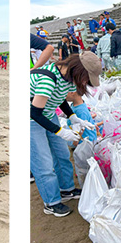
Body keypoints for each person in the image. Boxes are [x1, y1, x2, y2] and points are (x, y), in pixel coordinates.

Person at [30, 51, 101, 217]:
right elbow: (35, 113)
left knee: (62, 154)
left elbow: (59, 97)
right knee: (43, 163)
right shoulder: (47, 80)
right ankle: (51, 202)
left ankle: (66, 189)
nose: (85, 83)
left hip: (48, 114)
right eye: (86, 79)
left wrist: (73, 117)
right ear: (80, 71)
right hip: (31, 120)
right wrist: (61, 132)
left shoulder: (67, 77)